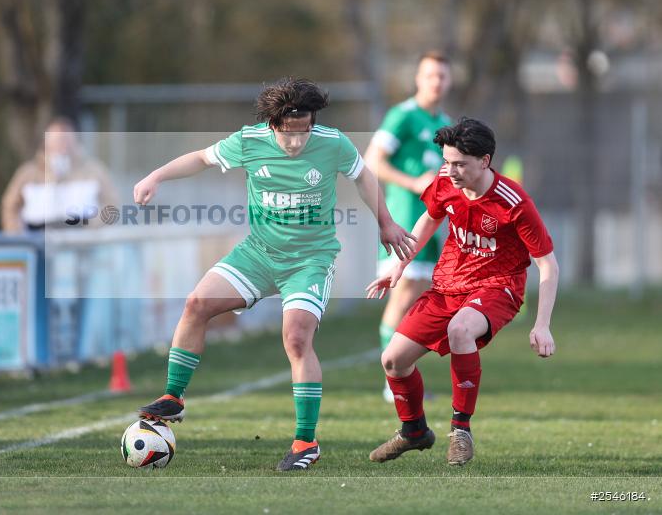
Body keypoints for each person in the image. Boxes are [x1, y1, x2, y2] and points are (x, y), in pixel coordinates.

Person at [133, 77, 416, 471]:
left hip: (310, 260)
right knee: (197, 304)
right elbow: (200, 157)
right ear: (272, 124)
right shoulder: (249, 141)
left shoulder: (332, 143)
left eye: (305, 132)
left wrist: (385, 222)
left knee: (296, 337)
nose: (297, 143)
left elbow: (364, 176)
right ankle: (174, 398)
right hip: (259, 254)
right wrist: (155, 176)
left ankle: (306, 442)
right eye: (289, 135)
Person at [366, 117, 559, 466]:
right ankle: (414, 431)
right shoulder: (445, 180)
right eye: (446, 161)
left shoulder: (513, 201)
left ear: (485, 161)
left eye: (460, 164)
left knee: (460, 330)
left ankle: (460, 430)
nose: (450, 171)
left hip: (498, 287)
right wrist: (401, 264)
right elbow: (430, 217)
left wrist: (542, 324)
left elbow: (548, 265)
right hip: (449, 284)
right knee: (392, 360)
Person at [363, 50, 453, 402]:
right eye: (430, 75)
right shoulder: (402, 116)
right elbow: (373, 162)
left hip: (431, 225)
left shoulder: (443, 122)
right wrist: (415, 183)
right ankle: (392, 380)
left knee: (418, 300)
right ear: (418, 78)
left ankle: (400, 373)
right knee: (403, 293)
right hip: (402, 220)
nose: (436, 81)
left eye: (443, 76)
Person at [0, 118, 118, 233]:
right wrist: (18, 234)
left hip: (84, 245)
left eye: (66, 140)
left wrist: (91, 229)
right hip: (38, 241)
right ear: (46, 142)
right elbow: (10, 207)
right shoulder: (28, 173)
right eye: (57, 140)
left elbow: (111, 203)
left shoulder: (94, 171)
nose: (62, 145)